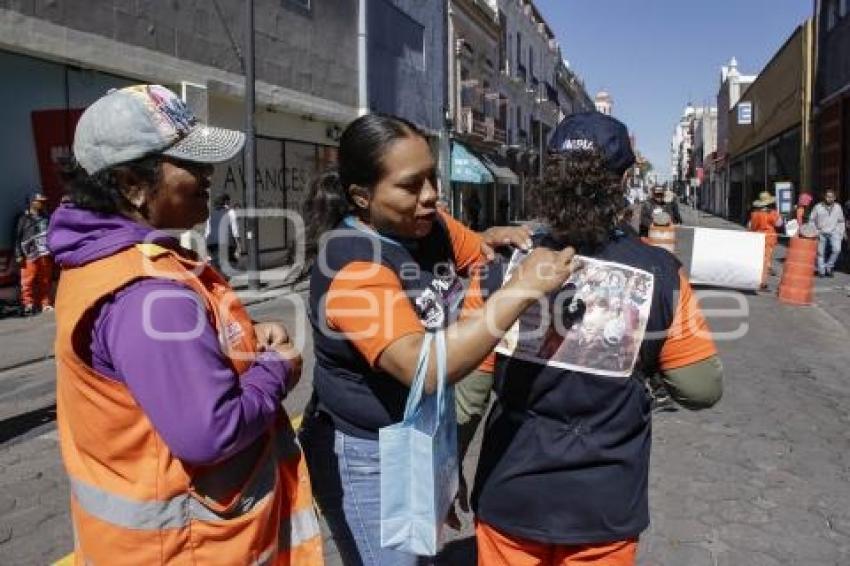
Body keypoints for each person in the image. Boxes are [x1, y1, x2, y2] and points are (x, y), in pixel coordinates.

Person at [48, 85, 322, 564]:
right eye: (191, 165)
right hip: (188, 549)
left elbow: (160, 359)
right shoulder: (149, 291)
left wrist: (244, 337)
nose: (209, 175)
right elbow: (211, 432)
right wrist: (276, 369)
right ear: (132, 184)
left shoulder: (107, 260)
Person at [298, 113, 573, 566]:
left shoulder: (429, 225)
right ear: (361, 196)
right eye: (410, 185)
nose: (430, 196)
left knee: (419, 557)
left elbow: (475, 254)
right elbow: (422, 367)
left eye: (432, 178)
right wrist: (522, 290)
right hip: (370, 454)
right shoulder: (353, 266)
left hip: (417, 434)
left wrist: (493, 238)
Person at [472, 111, 724, 565]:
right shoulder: (661, 273)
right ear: (626, 179)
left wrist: (446, 474)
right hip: (605, 501)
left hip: (511, 489)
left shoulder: (503, 261)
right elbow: (701, 387)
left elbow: (469, 396)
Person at [14, 191, 53, 315]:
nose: (42, 204)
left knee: (45, 280)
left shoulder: (46, 217)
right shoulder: (23, 219)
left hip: (45, 253)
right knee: (27, 281)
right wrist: (18, 254)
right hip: (29, 254)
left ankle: (45, 304)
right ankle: (28, 304)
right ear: (32, 203)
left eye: (43, 202)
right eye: (39, 201)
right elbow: (17, 237)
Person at [748, 191, 783, 289]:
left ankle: (755, 278)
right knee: (766, 261)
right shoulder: (772, 213)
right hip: (769, 238)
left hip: (757, 238)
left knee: (758, 260)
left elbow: (751, 226)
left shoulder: (755, 214)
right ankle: (762, 282)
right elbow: (779, 224)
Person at [811, 189, 846, 277]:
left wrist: (840, 232)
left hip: (834, 232)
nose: (829, 199)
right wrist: (815, 232)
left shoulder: (838, 207)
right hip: (821, 232)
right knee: (820, 253)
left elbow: (841, 221)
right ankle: (822, 271)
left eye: (831, 197)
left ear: (834, 198)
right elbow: (811, 220)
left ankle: (829, 267)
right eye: (827, 196)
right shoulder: (818, 207)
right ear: (824, 197)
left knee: (837, 250)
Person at [205, 192, 242, 274]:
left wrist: (206, 247)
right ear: (226, 202)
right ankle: (224, 281)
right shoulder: (231, 212)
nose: (230, 203)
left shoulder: (211, 214)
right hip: (226, 243)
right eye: (229, 201)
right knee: (232, 262)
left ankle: (219, 281)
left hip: (212, 244)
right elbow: (235, 231)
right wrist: (239, 246)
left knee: (217, 264)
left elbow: (207, 232)